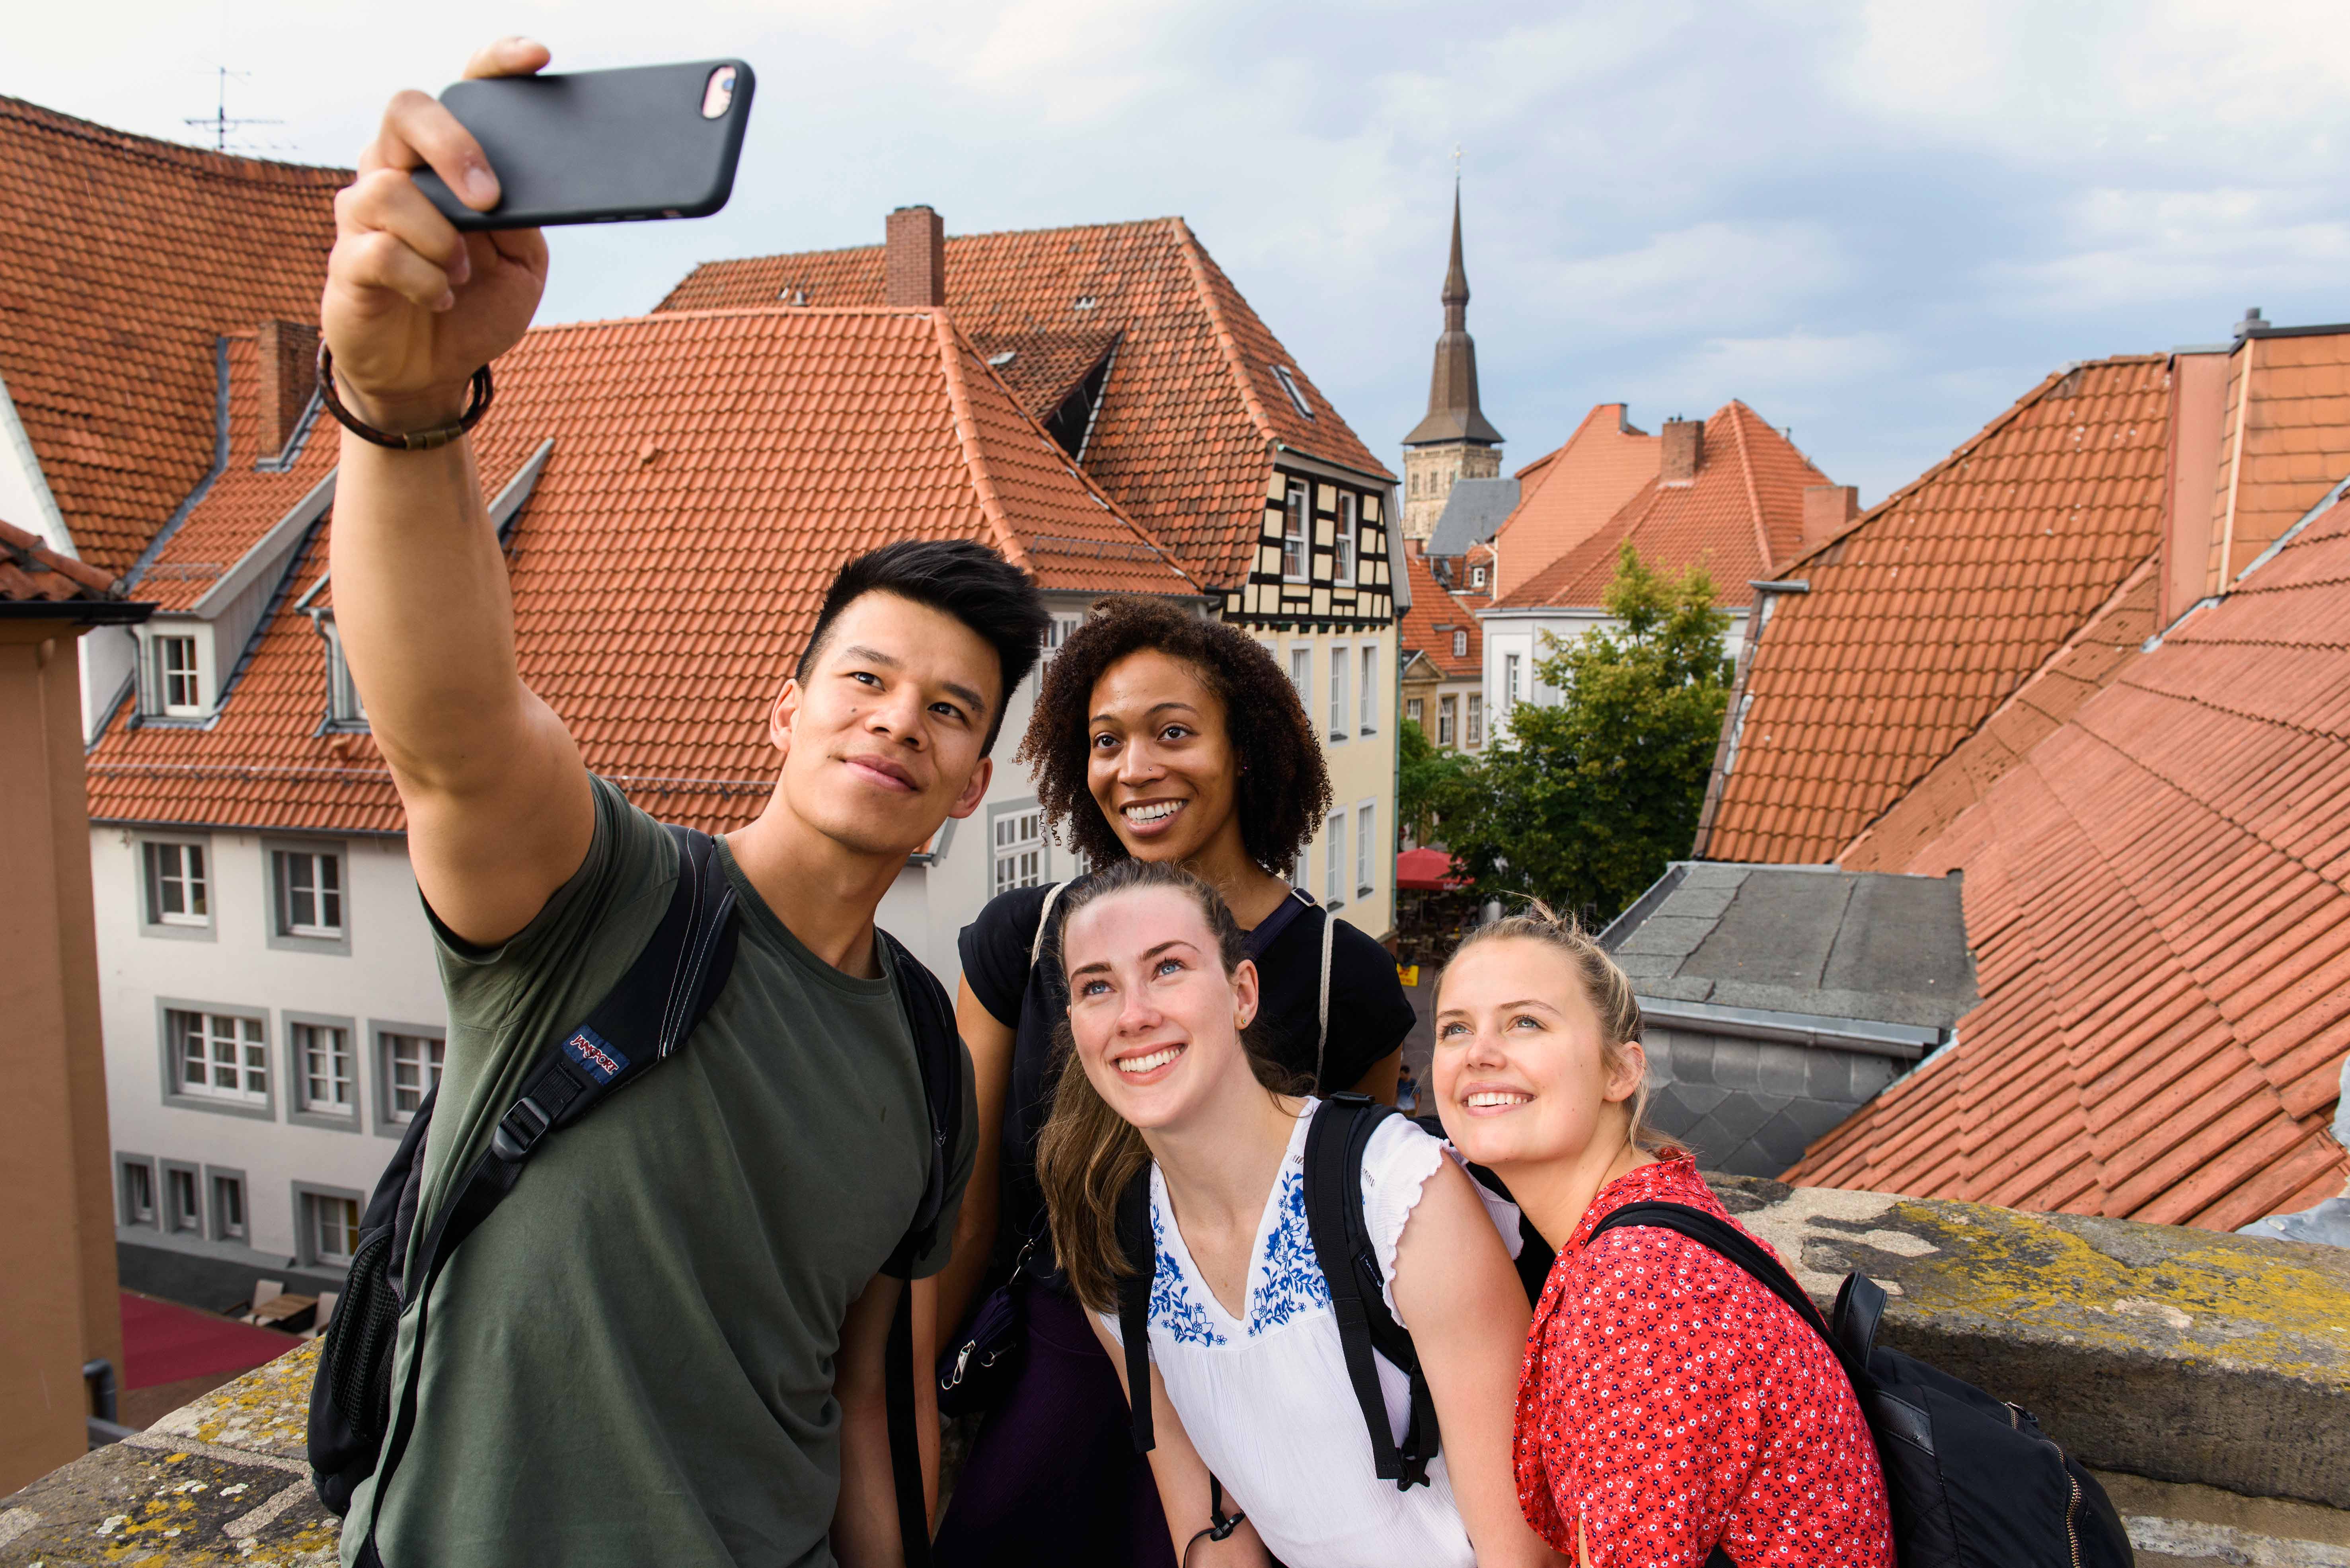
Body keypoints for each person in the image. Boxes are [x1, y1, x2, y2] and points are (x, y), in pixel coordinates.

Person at [322, 39, 1041, 1566]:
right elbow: (449, 725)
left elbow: (863, 1398)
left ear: (970, 785)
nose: (897, 719)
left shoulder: (922, 1054)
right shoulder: (603, 899)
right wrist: (405, 405)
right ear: (781, 711)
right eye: (862, 680)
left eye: (948, 708)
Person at [930, 599, 1415, 1566]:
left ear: (1245, 752)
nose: (1134, 768)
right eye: (1105, 741)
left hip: (1249, 1410)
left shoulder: (1339, 977)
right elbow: (962, 1212)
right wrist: (905, 1422)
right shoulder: (1020, 940)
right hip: (1053, 1384)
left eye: (1174, 733)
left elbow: (1360, 1251)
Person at [1042, 861, 1559, 1568]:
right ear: (1073, 1025)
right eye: (1096, 985)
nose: (1134, 1014)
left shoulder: (1394, 1194)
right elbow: (1210, 1536)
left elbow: (1521, 1551)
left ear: (1242, 993)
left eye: (1167, 968)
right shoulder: (1118, 1242)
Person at [1429, 907, 1896, 1568]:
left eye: (1525, 1021)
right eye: (1455, 1029)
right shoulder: (1656, 1214)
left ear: (1620, 1072)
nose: (1479, 1052)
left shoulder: (1638, 1286)